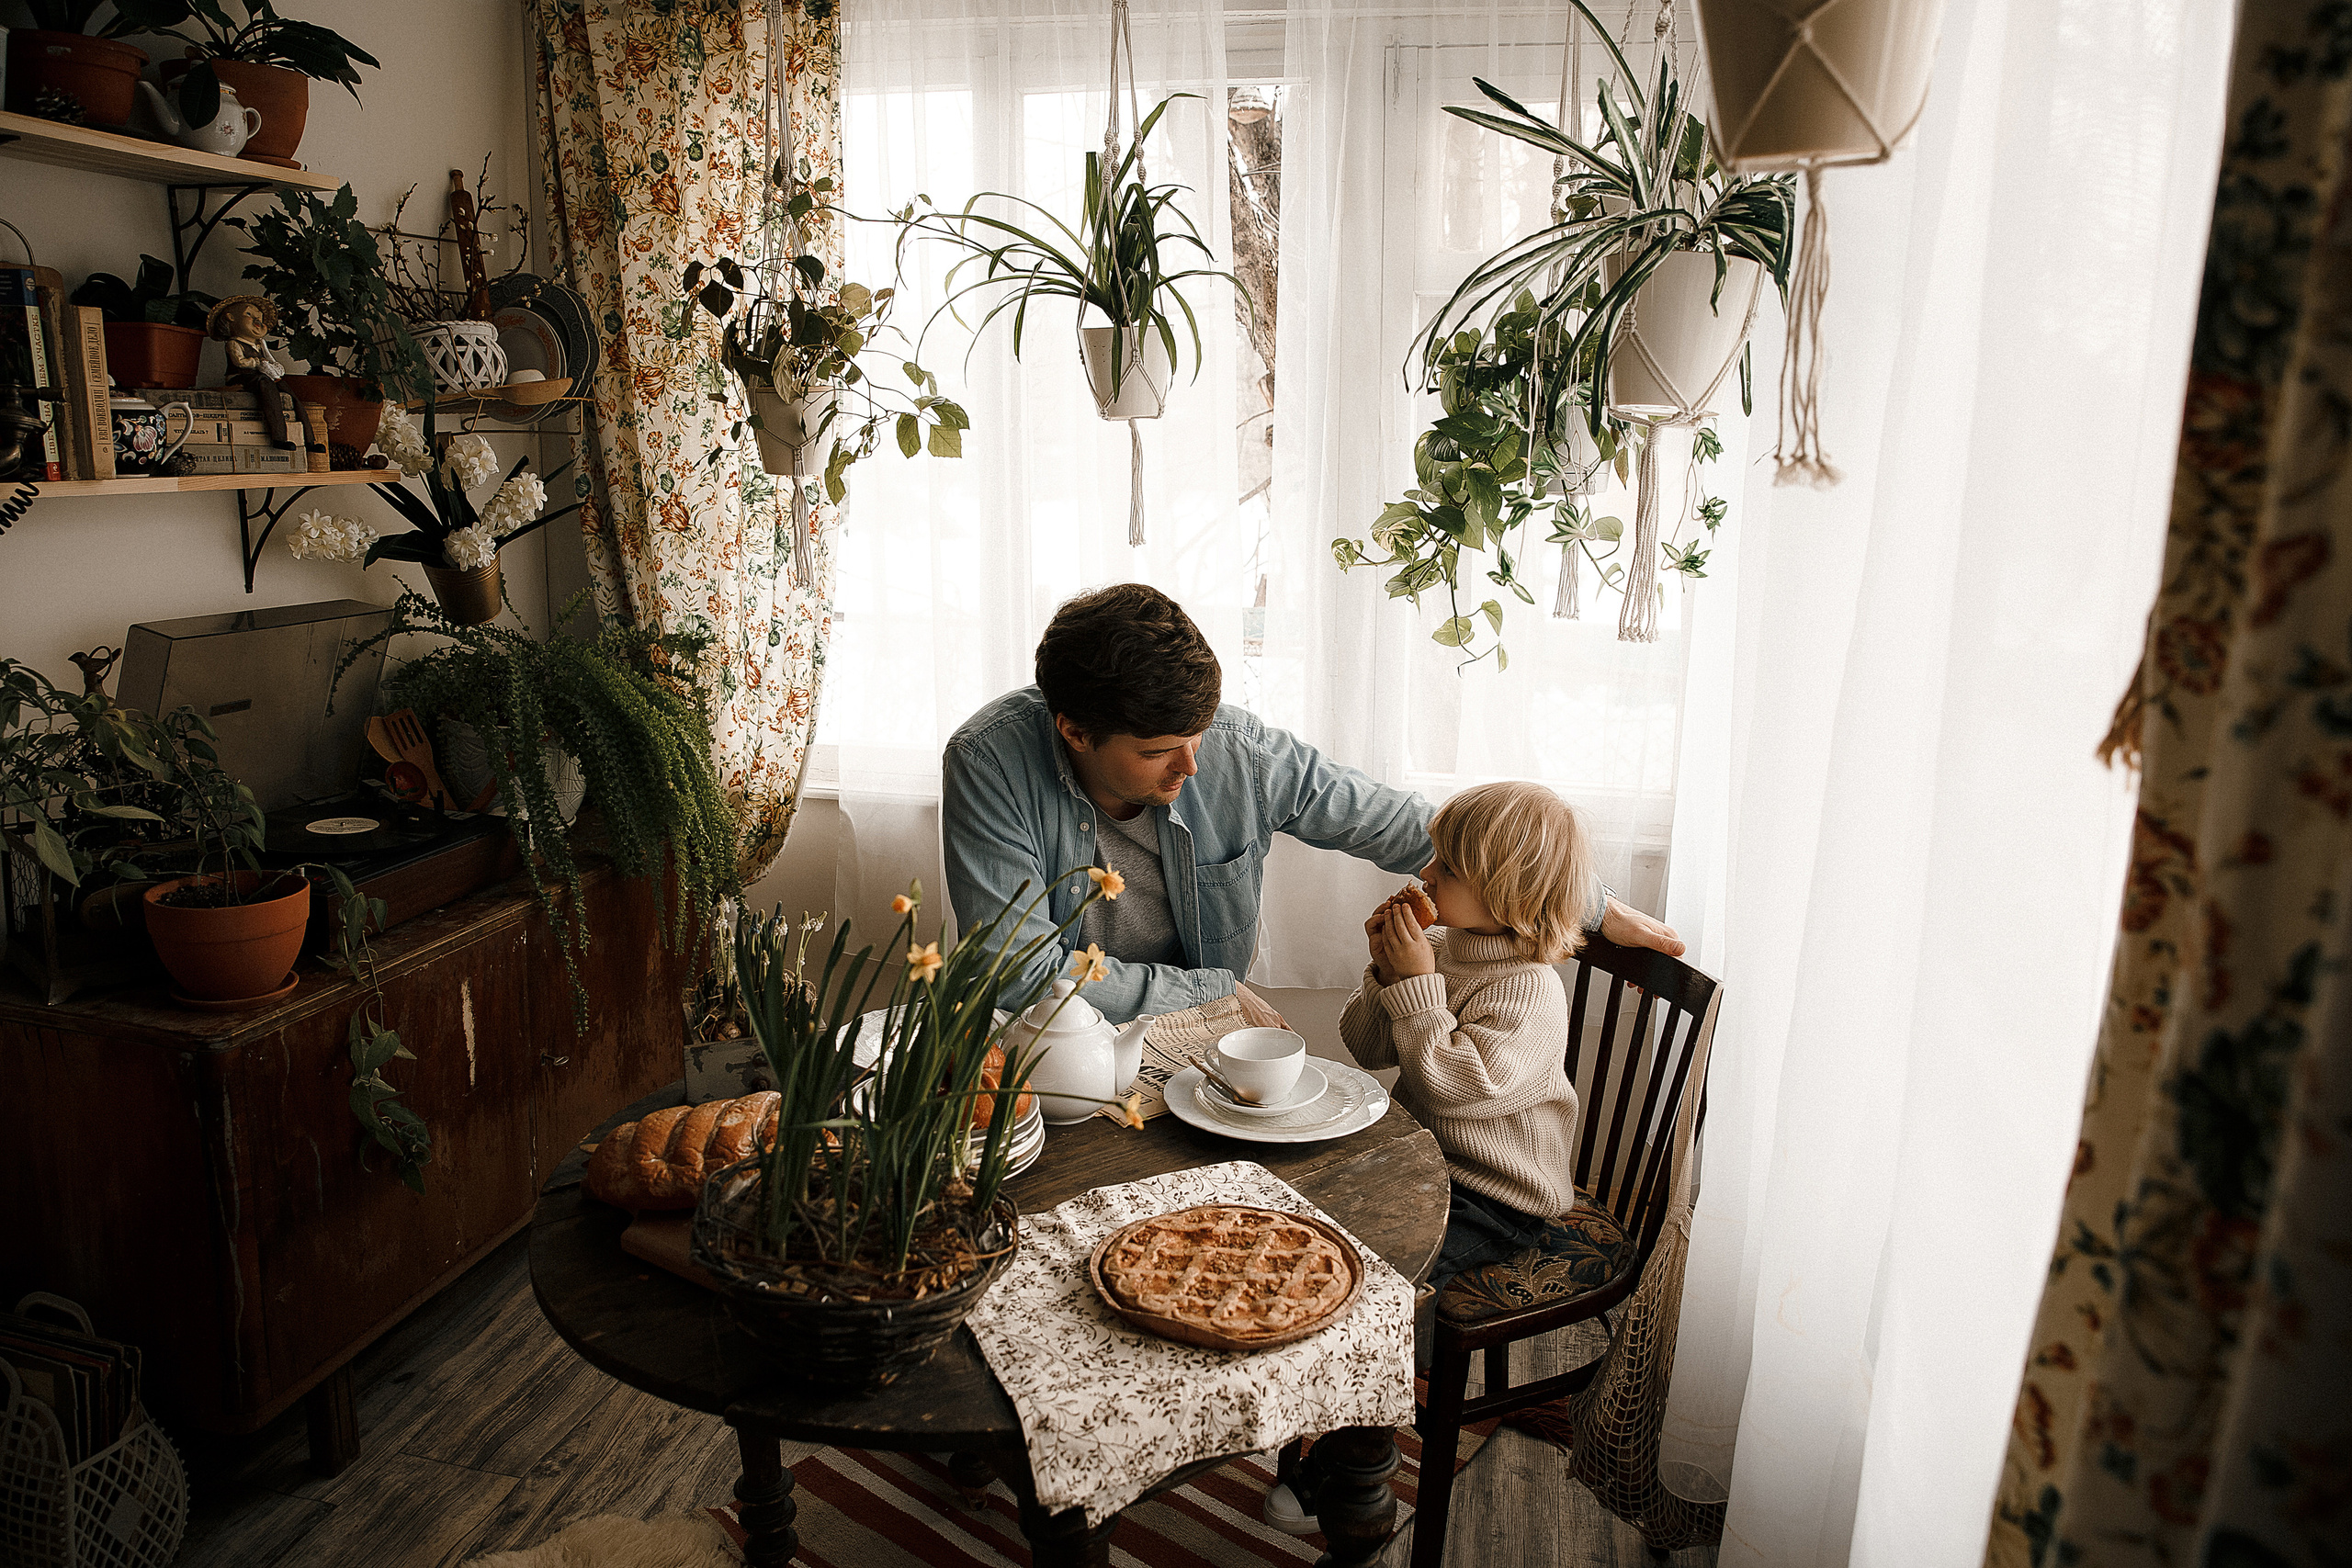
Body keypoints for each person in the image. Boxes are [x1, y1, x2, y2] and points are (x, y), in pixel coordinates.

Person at [941, 583, 1683, 1024]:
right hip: (1048, 1048)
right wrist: (1214, 993)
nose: (1192, 765)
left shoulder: (1237, 750)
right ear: (1074, 728)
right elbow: (1019, 972)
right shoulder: (988, 763)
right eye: (1160, 748)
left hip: (1200, 1050)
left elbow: (1397, 823)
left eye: (1199, 734)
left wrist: (1584, 897)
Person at [1337, 780, 1592, 1298]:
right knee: (1322, 1207)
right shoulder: (1438, 945)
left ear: (1508, 890)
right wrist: (1388, 974)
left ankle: (1397, 1361)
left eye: (1448, 869)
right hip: (1423, 1160)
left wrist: (1416, 988)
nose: (1425, 874)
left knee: (1377, 1268)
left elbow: (1453, 1091)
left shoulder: (1529, 991)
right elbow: (1366, 1050)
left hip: (1495, 1196)